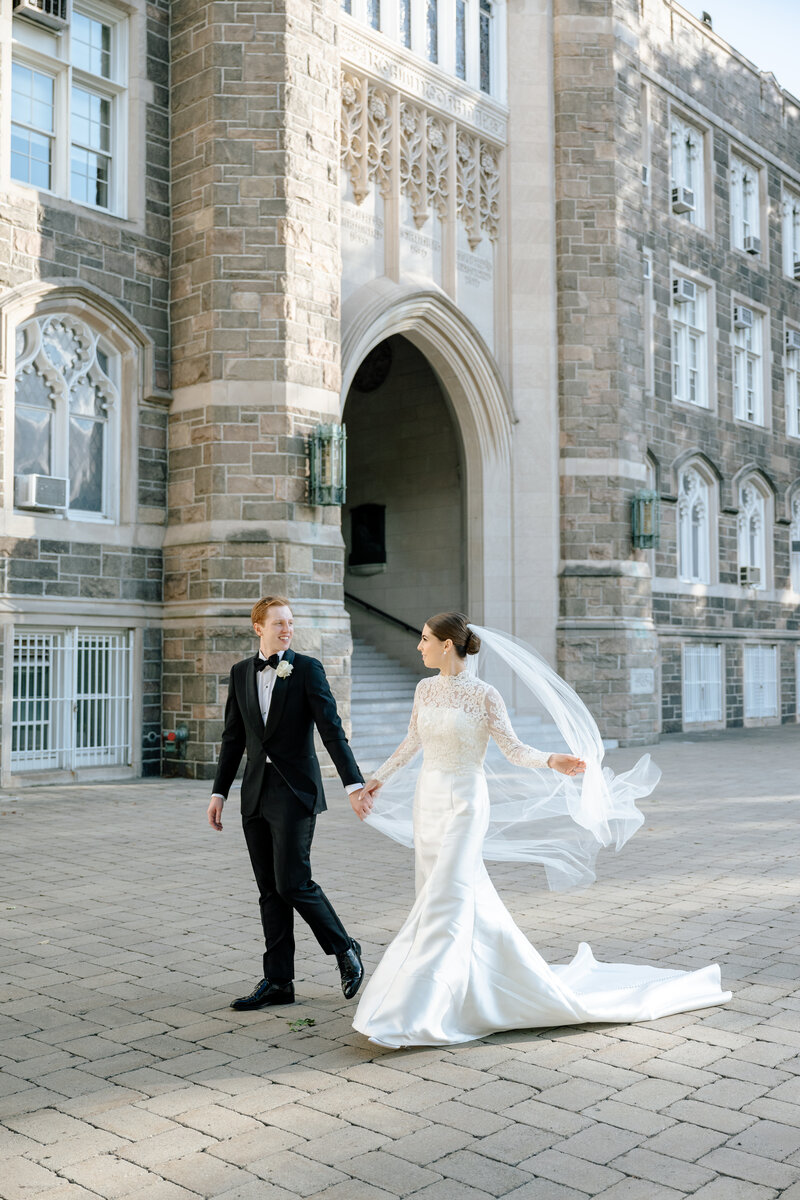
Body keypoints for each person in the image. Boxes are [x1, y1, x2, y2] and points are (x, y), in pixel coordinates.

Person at [352, 612, 730, 1048]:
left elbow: (512, 749)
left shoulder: (485, 695)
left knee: (447, 895)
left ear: (448, 645)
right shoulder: (424, 689)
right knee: (439, 894)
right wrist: (373, 781)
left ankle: (419, 1004)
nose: (419, 646)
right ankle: (464, 986)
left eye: (425, 639)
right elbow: (411, 743)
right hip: (428, 801)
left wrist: (553, 759)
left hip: (466, 804)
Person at [208, 596, 367, 1010]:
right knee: (269, 892)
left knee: (292, 882)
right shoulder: (241, 672)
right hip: (255, 795)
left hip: (296, 794)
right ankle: (278, 982)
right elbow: (233, 738)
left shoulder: (307, 668)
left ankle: (345, 949)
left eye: (290, 623)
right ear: (257, 627)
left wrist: (353, 784)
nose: (287, 629)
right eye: (279, 623)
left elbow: (332, 730)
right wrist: (219, 792)